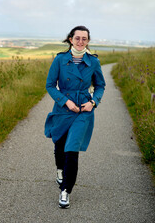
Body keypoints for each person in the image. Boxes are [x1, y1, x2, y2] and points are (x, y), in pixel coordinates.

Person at [44, 25, 106, 208]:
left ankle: (65, 191)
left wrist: (93, 102)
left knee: (72, 150)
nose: (80, 42)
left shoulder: (93, 62)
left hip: (83, 110)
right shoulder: (60, 59)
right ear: (71, 39)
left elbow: (100, 86)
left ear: (88, 41)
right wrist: (66, 101)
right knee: (60, 144)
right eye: (77, 38)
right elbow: (49, 85)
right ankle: (60, 170)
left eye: (84, 39)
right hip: (64, 108)